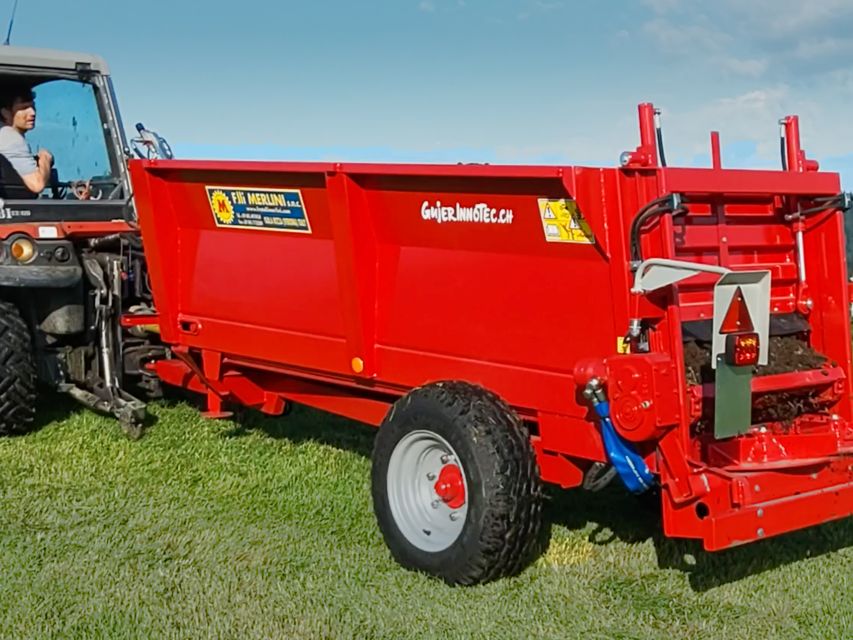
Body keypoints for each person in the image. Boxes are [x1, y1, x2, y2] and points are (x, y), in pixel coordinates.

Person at [0, 86, 52, 194]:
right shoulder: (10, 137)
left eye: (33, 107)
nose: (32, 112)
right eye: (24, 108)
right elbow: (37, 184)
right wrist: (45, 159)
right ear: (5, 112)